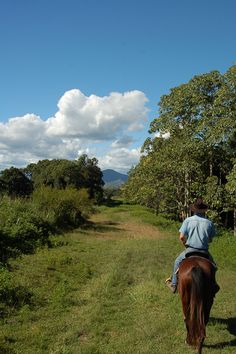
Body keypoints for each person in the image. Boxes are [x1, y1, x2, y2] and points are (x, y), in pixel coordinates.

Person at [165, 197, 219, 294]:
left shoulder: (188, 220)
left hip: (190, 250)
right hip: (204, 251)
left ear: (194, 210)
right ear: (204, 210)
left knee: (177, 261)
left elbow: (181, 237)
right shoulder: (209, 223)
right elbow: (210, 239)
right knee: (214, 266)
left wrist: (185, 243)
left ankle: (173, 284)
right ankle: (214, 285)